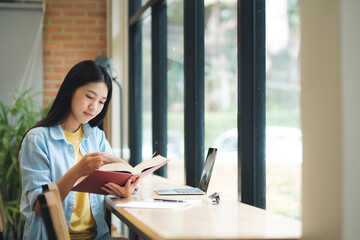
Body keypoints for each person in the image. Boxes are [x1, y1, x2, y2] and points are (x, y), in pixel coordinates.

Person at [19, 60, 140, 240]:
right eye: (89, 97)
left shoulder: (96, 137)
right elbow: (40, 206)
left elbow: (120, 175)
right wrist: (77, 172)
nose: (94, 107)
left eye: (101, 101)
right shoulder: (37, 140)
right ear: (70, 90)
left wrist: (125, 189)